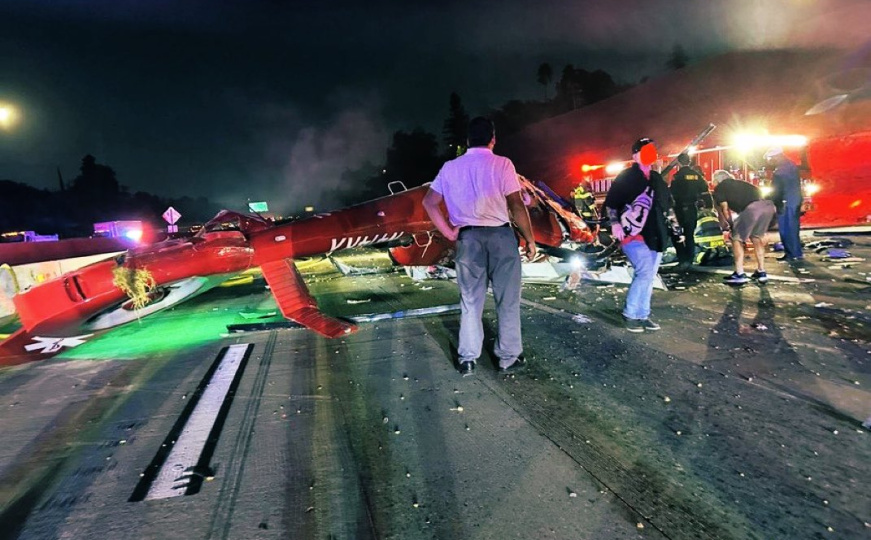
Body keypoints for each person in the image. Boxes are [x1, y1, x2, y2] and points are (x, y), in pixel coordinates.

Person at [422, 117, 537, 377]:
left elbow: (429, 202)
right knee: (507, 300)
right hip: (501, 238)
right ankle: (508, 357)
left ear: (467, 141)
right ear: (493, 139)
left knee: (470, 300)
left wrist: (449, 232)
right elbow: (516, 204)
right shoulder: (503, 164)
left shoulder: (450, 167)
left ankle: (467, 358)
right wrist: (530, 239)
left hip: (468, 239)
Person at [604, 137, 672, 333]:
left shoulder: (657, 179)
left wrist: (676, 228)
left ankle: (643, 314)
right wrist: (615, 224)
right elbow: (611, 203)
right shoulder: (627, 177)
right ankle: (631, 314)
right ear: (635, 155)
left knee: (648, 276)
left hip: (656, 234)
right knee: (644, 272)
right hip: (633, 234)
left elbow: (667, 205)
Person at [711, 169, 776, 284]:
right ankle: (761, 272)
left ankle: (739, 274)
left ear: (717, 180)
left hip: (753, 209)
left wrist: (731, 225)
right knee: (756, 237)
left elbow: (725, 209)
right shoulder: (741, 183)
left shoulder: (720, 188)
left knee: (736, 238)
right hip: (768, 206)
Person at [669, 153, 710, 270]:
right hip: (692, 208)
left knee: (676, 234)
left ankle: (682, 259)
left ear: (678, 162)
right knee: (690, 234)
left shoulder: (677, 176)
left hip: (679, 209)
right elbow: (705, 191)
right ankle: (689, 260)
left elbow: (673, 193)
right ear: (689, 161)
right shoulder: (697, 175)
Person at [764, 146, 804, 261]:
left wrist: (770, 201)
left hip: (785, 203)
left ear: (776, 157)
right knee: (793, 229)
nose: (770, 162)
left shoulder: (780, 171)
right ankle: (796, 253)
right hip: (794, 201)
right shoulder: (792, 166)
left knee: (786, 230)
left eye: (771, 159)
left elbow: (776, 191)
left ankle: (791, 254)